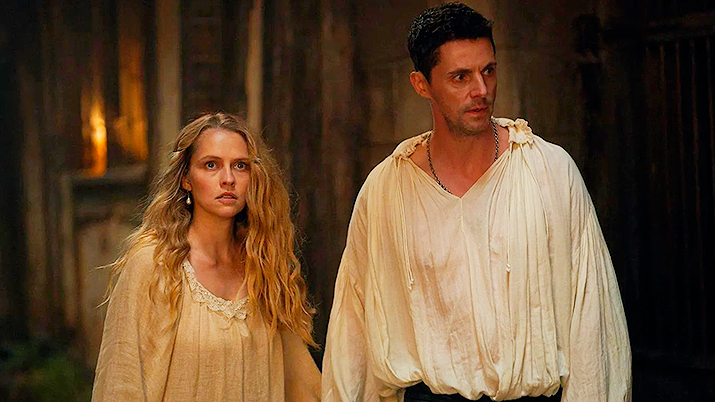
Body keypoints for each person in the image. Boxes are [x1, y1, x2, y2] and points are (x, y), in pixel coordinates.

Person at [321, 3, 631, 401]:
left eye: (489, 70)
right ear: (421, 84)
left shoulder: (549, 172)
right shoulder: (386, 189)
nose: (481, 90)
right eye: (460, 77)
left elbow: (593, 316)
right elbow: (354, 324)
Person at [92, 113, 321, 401]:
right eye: (211, 165)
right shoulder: (154, 264)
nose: (228, 179)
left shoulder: (263, 264)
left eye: (240, 166)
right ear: (186, 179)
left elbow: (303, 382)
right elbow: (121, 380)